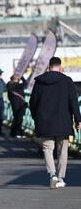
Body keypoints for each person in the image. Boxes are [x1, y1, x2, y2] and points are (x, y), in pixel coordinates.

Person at [29, 57, 81, 189]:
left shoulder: (39, 82)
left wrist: (37, 118)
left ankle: (52, 175)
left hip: (45, 122)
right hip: (63, 122)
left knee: (47, 149)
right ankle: (61, 178)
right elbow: (74, 102)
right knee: (62, 150)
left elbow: (32, 103)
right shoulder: (67, 81)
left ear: (48, 66)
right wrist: (78, 120)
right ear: (60, 67)